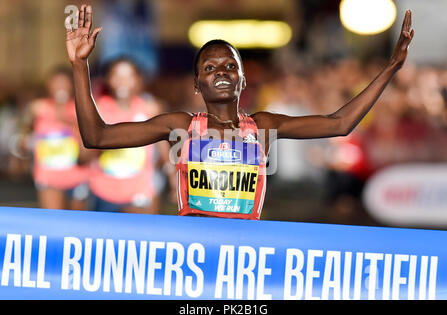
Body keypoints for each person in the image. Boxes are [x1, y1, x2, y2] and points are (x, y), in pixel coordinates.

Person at [65, 5, 414, 220]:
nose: (220, 71)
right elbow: (97, 137)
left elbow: (339, 123)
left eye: (230, 65)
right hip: (194, 253)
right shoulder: (182, 127)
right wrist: (80, 66)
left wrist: (390, 68)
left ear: (243, 79)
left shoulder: (262, 126)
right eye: (210, 67)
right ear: (196, 84)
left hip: (244, 255)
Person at [87, 57, 170, 214]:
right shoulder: (98, 109)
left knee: (142, 237)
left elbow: (164, 148)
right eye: (116, 76)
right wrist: (102, 142)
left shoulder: (151, 108)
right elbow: (84, 155)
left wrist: (173, 179)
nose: (122, 82)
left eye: (128, 76)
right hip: (103, 191)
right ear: (108, 79)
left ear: (139, 80)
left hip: (140, 191)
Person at [20, 66, 91, 210]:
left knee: (77, 225)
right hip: (48, 178)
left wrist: (66, 119)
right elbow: (25, 135)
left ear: (72, 85)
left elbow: (90, 137)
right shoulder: (38, 108)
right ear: (48, 85)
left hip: (78, 177)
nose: (60, 87)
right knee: (53, 222)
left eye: (64, 83)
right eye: (56, 83)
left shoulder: (81, 108)